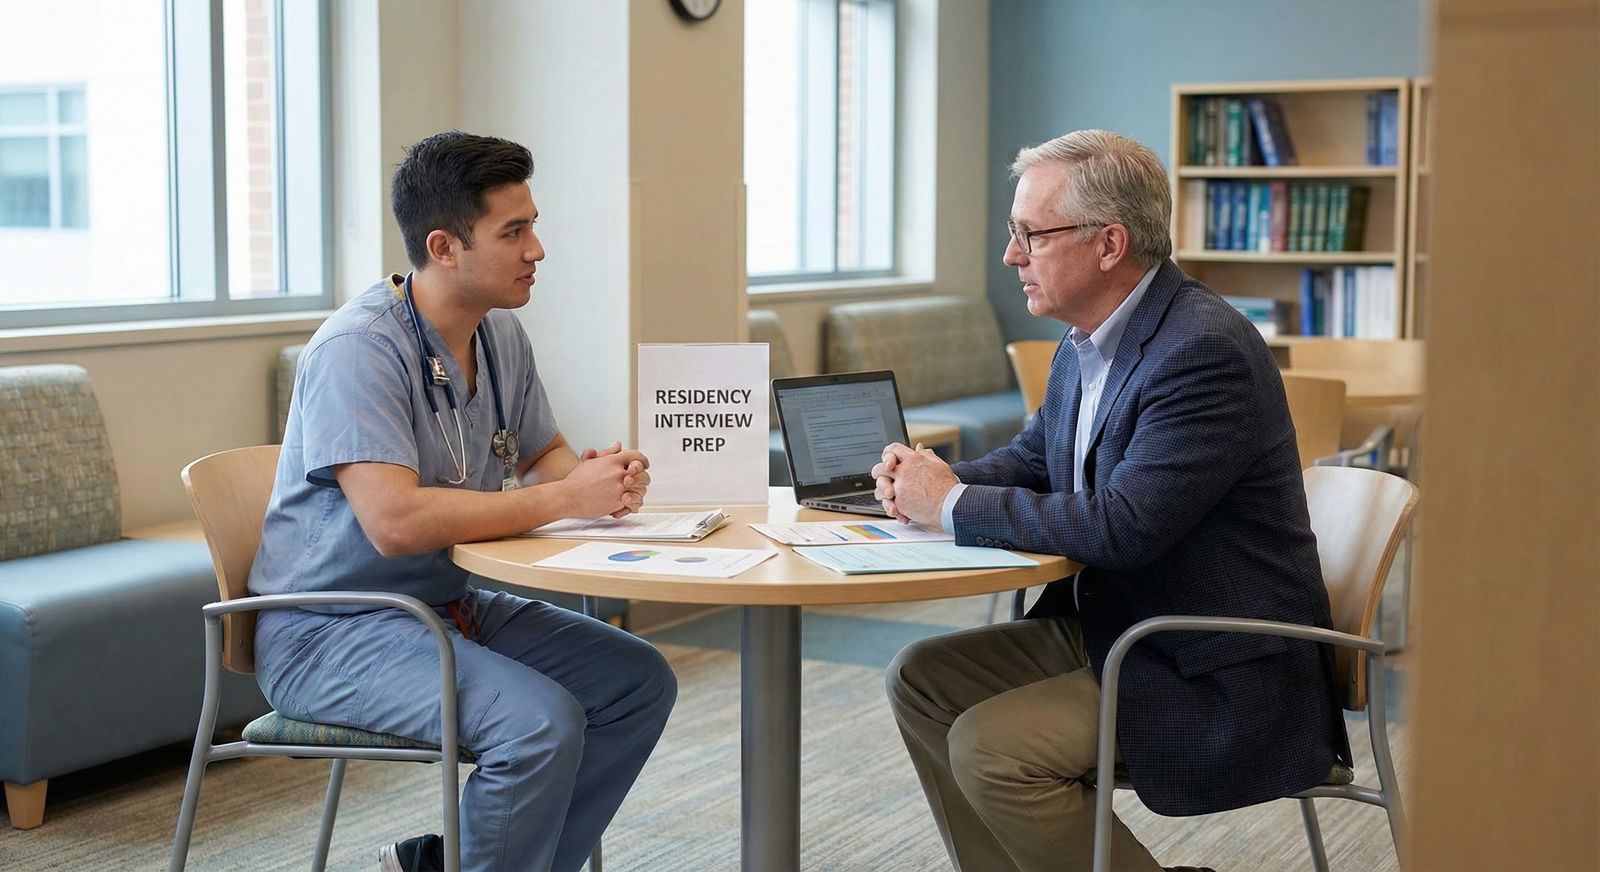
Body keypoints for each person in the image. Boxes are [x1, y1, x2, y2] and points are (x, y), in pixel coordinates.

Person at [874, 129, 1350, 872]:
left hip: (1215, 660)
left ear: (1108, 244)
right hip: (1126, 625)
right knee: (921, 679)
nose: (1011, 256)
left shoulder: (1202, 350)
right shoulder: (1088, 337)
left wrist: (954, 503)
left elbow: (1124, 526)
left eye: (1029, 234)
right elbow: (1036, 460)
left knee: (992, 750)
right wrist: (925, 485)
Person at [247, 130, 676, 872]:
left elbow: (544, 459)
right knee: (537, 726)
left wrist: (600, 485)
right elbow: (395, 521)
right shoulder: (358, 349)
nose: (537, 249)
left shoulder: (500, 333)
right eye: (515, 232)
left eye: (533, 225)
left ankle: (462, 862)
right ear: (444, 247)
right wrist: (564, 497)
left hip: (445, 607)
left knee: (637, 682)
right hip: (331, 630)